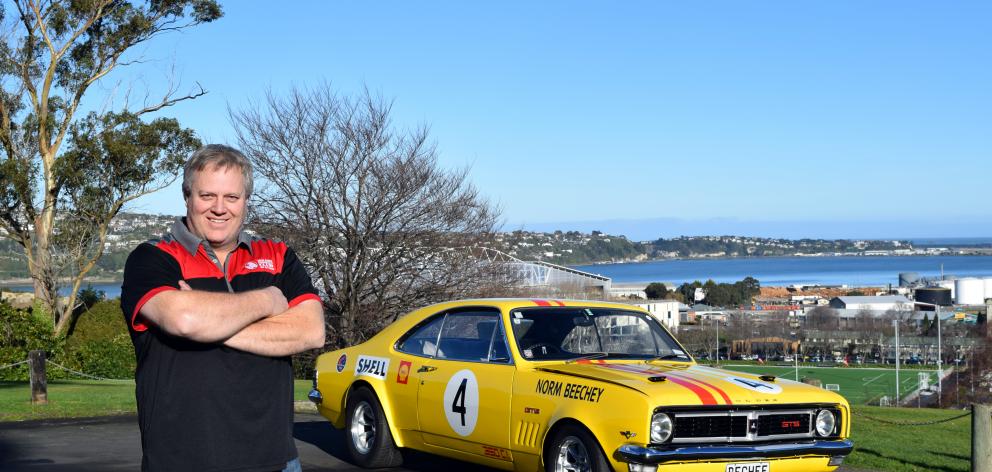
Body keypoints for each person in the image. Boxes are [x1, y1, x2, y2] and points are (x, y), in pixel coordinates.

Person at [121, 144, 325, 472]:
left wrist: (212, 323)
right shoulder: (152, 257)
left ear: (246, 202)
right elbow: (185, 318)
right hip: (181, 462)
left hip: (277, 462)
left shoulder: (277, 256)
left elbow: (311, 332)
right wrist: (269, 300)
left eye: (232, 197)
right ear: (187, 196)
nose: (219, 208)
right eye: (207, 196)